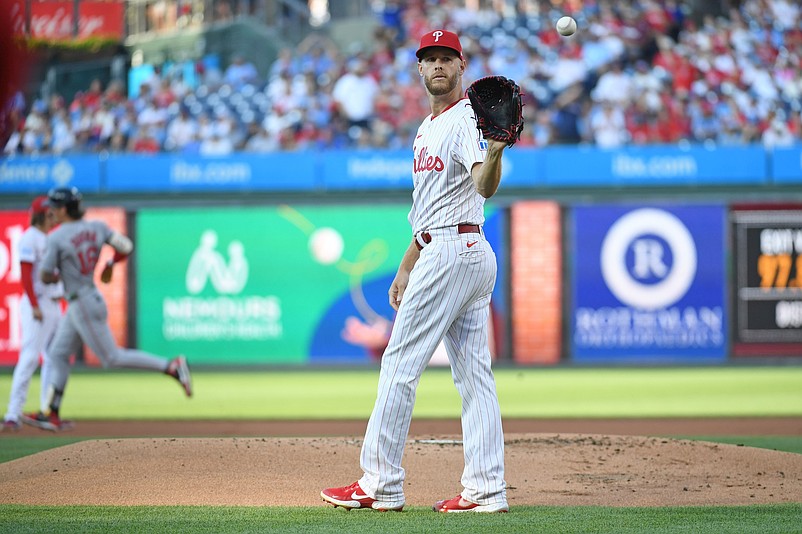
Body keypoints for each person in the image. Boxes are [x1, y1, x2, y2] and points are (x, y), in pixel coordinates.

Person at [321, 29, 510, 513]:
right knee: (474, 377)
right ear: (419, 69)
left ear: (461, 67)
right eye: (430, 59)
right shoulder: (425, 130)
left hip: (454, 250)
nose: (438, 65)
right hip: (454, 250)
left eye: (447, 58)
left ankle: (379, 484)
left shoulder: (467, 118)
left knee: (400, 364)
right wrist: (406, 267)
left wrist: (494, 152)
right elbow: (425, 213)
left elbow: (483, 188)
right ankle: (486, 491)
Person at [24, 186, 192, 432]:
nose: (51, 212)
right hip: (86, 298)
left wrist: (61, 274)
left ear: (62, 209)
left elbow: (46, 275)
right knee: (58, 354)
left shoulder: (57, 237)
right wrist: (111, 263)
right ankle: (52, 413)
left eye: (53, 208)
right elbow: (125, 246)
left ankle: (170, 366)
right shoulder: (98, 227)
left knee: (112, 357)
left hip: (81, 301)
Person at [2, 196, 63, 431]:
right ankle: (12, 414)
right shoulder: (30, 238)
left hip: (54, 304)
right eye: (50, 212)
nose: (54, 215)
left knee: (53, 359)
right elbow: (26, 274)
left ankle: (46, 412)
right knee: (29, 358)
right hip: (38, 304)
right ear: (43, 214)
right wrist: (35, 304)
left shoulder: (50, 237)